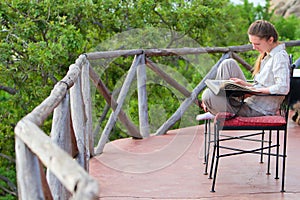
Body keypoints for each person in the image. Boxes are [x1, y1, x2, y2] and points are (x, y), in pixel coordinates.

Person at [200, 20, 290, 118]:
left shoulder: (279, 57)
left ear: (270, 40)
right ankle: (216, 106)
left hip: (257, 109)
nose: (254, 47)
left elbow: (283, 88)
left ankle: (215, 107)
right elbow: (264, 84)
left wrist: (253, 90)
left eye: (257, 44)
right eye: (252, 43)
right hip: (251, 99)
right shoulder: (268, 55)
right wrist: (245, 85)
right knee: (228, 64)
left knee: (207, 95)